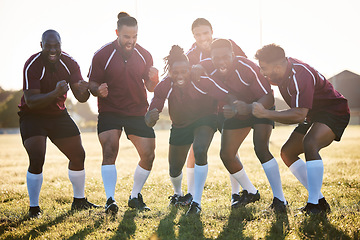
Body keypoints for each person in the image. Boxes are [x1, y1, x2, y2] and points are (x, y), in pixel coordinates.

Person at [253, 44, 350, 214]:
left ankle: (314, 205)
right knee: (287, 152)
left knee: (310, 143)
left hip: (334, 111)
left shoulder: (300, 75)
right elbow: (256, 81)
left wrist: (265, 114)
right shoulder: (280, 72)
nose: (262, 73)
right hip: (313, 115)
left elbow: (298, 115)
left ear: (277, 66)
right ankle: (319, 200)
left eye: (264, 68)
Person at [195, 39, 288, 212]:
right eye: (217, 58)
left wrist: (250, 108)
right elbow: (192, 68)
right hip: (239, 112)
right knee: (227, 154)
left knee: (261, 148)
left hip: (261, 107)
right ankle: (251, 191)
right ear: (211, 58)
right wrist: (230, 109)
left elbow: (268, 97)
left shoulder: (247, 67)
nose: (221, 62)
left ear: (233, 55)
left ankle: (280, 199)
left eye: (226, 57)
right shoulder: (209, 67)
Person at [145, 45, 236, 215]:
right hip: (180, 125)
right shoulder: (165, 85)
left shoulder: (200, 79)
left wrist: (233, 106)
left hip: (205, 118)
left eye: (184, 71)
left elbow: (226, 94)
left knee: (200, 150)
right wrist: (150, 117)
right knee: (174, 169)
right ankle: (178, 194)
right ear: (170, 72)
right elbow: (154, 108)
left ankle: (197, 202)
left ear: (190, 69)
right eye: (175, 72)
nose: (180, 76)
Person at [19, 29, 99, 218]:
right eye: (49, 46)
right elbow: (31, 100)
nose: (53, 50)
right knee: (37, 158)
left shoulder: (70, 63)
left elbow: (81, 98)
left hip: (58, 115)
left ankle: (79, 201)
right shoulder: (32, 64)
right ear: (41, 46)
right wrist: (55, 93)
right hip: (33, 115)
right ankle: (34, 208)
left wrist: (84, 89)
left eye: (57, 46)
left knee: (78, 155)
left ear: (61, 45)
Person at [88, 12, 159, 214]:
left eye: (135, 36)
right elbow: (92, 83)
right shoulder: (102, 55)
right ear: (117, 33)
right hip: (110, 110)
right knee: (109, 150)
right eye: (127, 37)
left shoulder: (145, 55)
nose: (131, 41)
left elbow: (151, 87)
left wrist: (153, 79)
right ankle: (110, 200)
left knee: (148, 155)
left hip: (137, 110)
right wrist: (97, 89)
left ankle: (135, 196)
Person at [185, 18, 248, 207]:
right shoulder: (190, 55)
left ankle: (236, 194)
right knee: (195, 150)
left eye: (205, 33)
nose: (202, 38)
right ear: (193, 36)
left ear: (212, 31)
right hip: (205, 110)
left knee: (231, 150)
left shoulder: (227, 46)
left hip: (227, 106)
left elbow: (244, 67)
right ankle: (190, 194)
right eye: (198, 34)